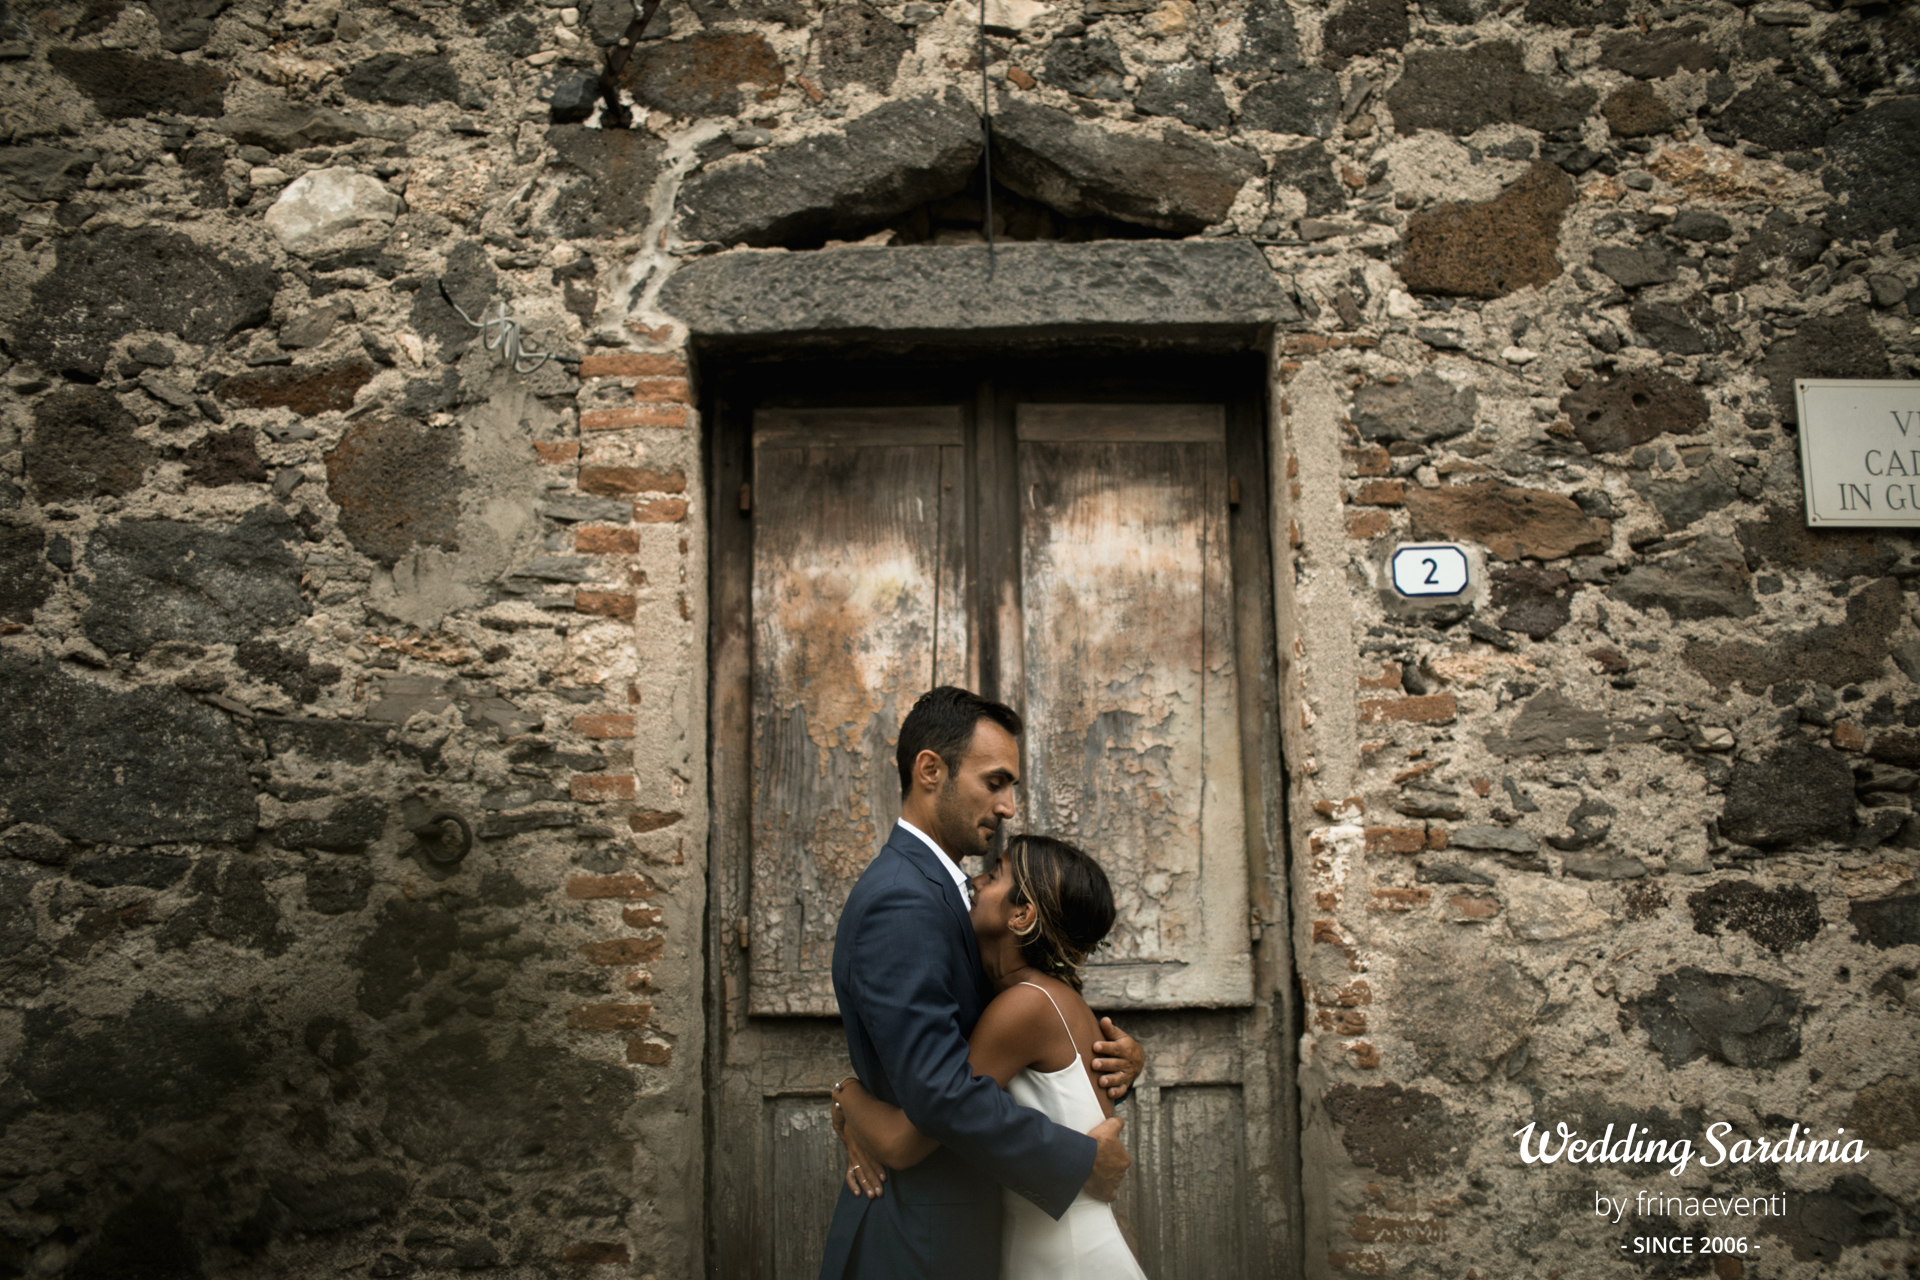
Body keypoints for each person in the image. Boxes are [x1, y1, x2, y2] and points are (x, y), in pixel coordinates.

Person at [816, 686, 1144, 1280]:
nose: (1009, 807)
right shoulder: (903, 900)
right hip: (918, 1242)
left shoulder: (948, 898)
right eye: (995, 782)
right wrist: (1076, 1158)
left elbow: (981, 1054)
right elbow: (939, 1091)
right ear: (930, 770)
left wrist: (1116, 1063)